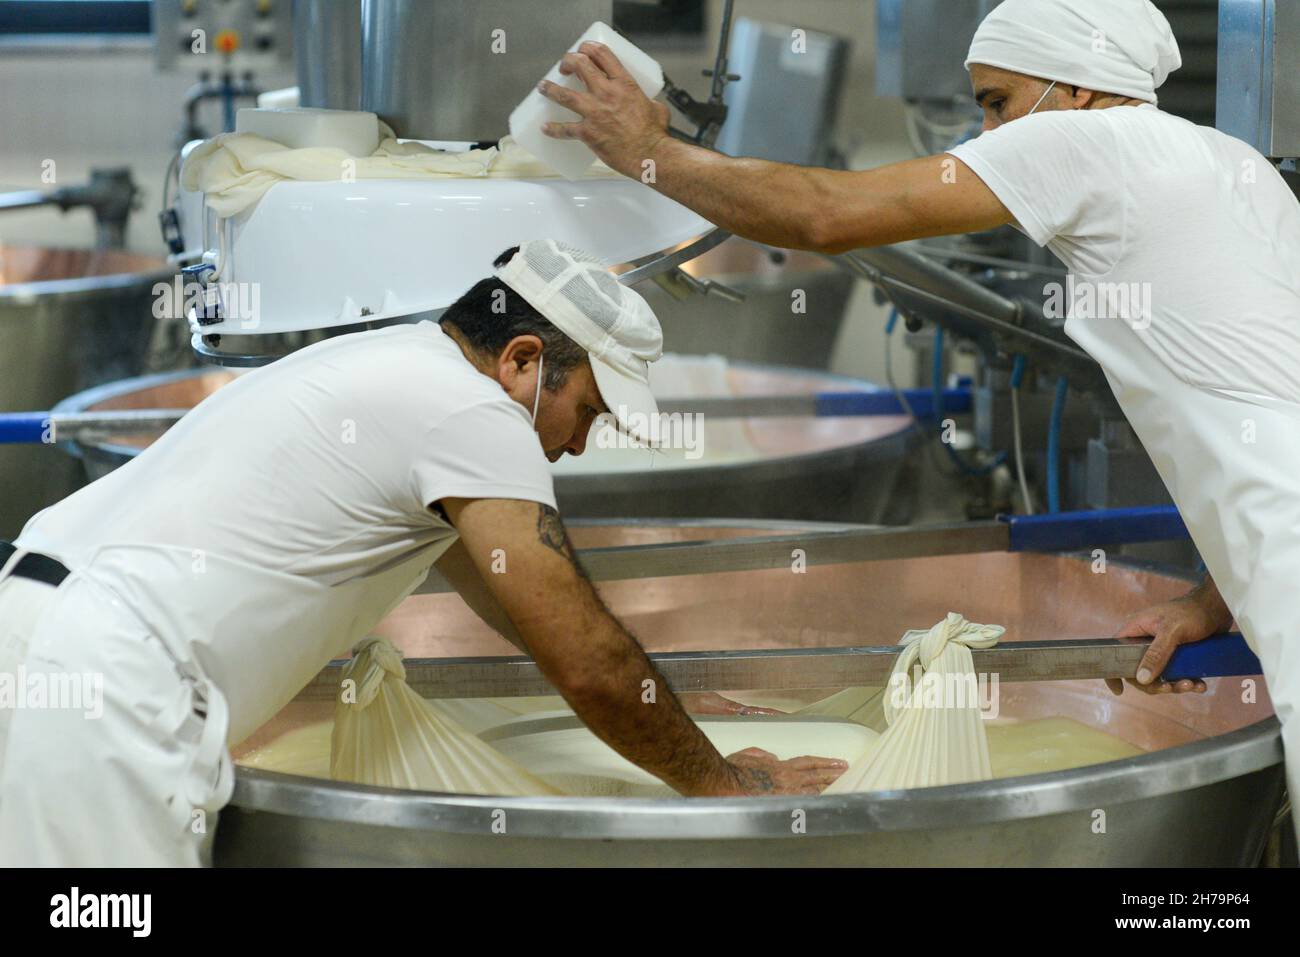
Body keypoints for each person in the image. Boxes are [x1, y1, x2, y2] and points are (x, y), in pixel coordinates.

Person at [538, 0, 1300, 837]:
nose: (983, 132)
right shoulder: (1231, 164)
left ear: (1077, 90)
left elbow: (824, 214)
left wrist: (649, 152)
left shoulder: (1085, 143)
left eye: (998, 102)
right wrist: (1213, 597)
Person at [0, 239, 846, 866]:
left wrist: (686, 707)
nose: (580, 446)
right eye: (586, 411)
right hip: (114, 688)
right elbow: (585, 659)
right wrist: (721, 787)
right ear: (522, 362)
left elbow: (532, 612)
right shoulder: (475, 416)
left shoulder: (400, 370)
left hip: (36, 632)